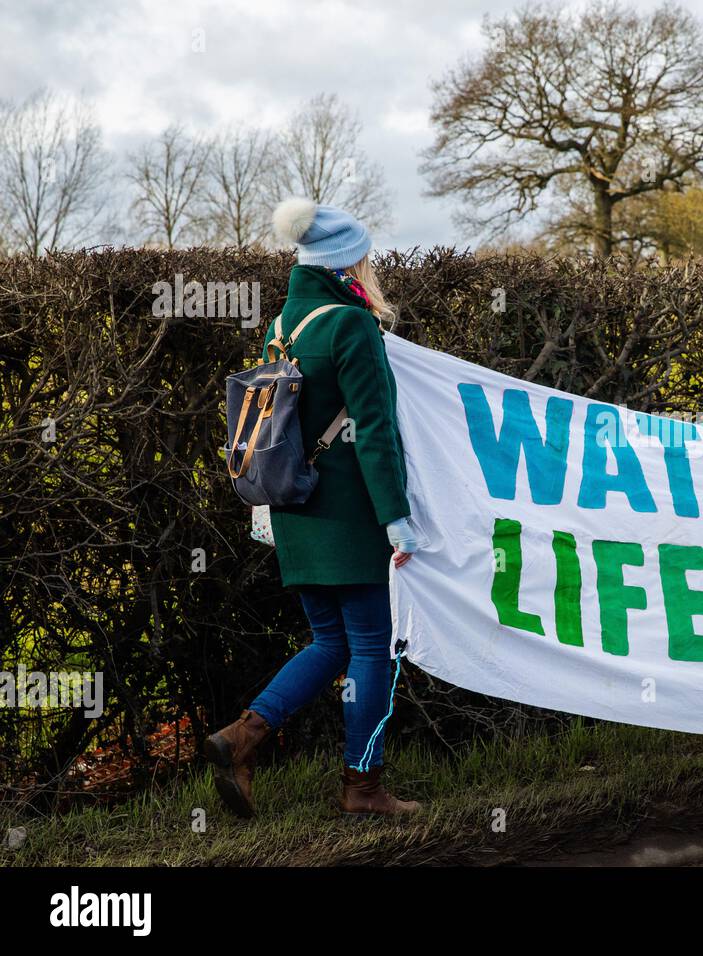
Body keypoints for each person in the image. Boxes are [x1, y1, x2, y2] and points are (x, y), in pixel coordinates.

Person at [205, 198, 423, 819]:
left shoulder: (285, 323)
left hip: (293, 507)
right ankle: (364, 788)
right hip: (351, 518)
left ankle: (242, 737)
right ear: (345, 261)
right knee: (373, 648)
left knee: (329, 642)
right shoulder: (350, 325)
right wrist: (396, 517)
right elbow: (376, 430)